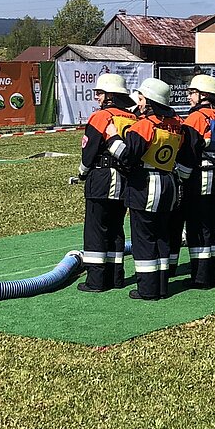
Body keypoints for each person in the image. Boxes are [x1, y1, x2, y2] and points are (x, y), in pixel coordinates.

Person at [112, 77, 186, 300]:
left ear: (151, 101)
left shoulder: (144, 125)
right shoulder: (177, 124)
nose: (140, 103)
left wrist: (112, 138)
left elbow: (128, 157)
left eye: (142, 99)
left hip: (146, 186)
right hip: (169, 184)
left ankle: (147, 289)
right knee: (162, 236)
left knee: (144, 239)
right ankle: (162, 286)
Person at [72, 73, 137, 292]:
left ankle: (96, 281)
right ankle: (116, 278)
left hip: (101, 178)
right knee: (116, 229)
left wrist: (82, 172)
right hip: (124, 179)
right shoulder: (132, 118)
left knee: (95, 229)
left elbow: (89, 151)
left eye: (99, 93)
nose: (96, 97)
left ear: (110, 96)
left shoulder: (100, 117)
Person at [180, 74, 215, 288]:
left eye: (192, 93)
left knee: (198, 227)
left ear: (203, 95)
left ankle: (201, 277)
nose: (189, 97)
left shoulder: (195, 118)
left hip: (200, 178)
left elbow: (188, 151)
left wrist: (182, 178)